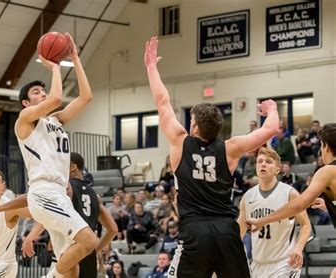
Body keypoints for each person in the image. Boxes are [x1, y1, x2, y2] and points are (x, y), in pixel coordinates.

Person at [144, 36, 280, 278]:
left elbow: (161, 100)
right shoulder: (230, 148)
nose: (189, 123)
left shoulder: (179, 140)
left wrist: (151, 67)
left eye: (191, 121)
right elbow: (269, 130)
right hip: (226, 231)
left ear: (195, 128)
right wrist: (272, 109)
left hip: (195, 231)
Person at [0, 33, 97, 278]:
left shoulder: (56, 120)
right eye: (37, 92)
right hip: (44, 193)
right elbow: (57, 98)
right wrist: (55, 68)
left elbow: (86, 97)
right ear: (26, 104)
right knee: (89, 241)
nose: (43, 94)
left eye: (43, 91)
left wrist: (75, 57)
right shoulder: (25, 121)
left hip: (59, 193)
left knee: (71, 267)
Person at [21, 152, 118, 278]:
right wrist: (96, 249)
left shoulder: (64, 188)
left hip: (70, 252)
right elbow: (113, 229)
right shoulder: (95, 195)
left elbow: (47, 212)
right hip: (88, 256)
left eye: (61, 164)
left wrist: (31, 236)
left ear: (73, 167)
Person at [246, 123, 336, 229]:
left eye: (321, 145)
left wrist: (261, 221)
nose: (320, 150)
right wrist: (331, 206)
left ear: (327, 147)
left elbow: (299, 205)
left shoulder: (327, 171)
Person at [237, 148, 311, 277]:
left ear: (277, 169)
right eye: (259, 161)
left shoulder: (290, 193)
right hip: (258, 264)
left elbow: (306, 224)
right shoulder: (247, 197)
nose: (263, 164)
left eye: (268, 162)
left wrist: (299, 248)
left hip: (285, 263)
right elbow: (239, 231)